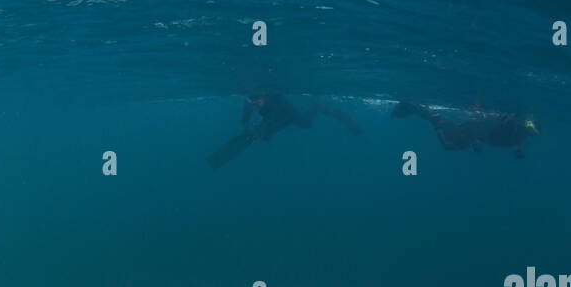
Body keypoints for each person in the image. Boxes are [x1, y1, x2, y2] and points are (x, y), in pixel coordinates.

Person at [207, 91, 361, 169]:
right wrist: (247, 128)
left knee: (306, 124)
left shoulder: (274, 102)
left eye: (256, 103)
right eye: (251, 103)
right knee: (264, 133)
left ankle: (316, 107)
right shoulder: (250, 103)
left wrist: (264, 131)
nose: (253, 106)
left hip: (288, 114)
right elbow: (245, 118)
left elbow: (278, 120)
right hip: (273, 117)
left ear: (262, 99)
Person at [391, 101, 539, 158]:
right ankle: (422, 112)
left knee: (448, 142)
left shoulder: (518, 135)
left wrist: (475, 141)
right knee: (448, 144)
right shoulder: (515, 128)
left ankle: (420, 111)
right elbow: (495, 125)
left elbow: (495, 132)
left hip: (476, 132)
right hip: (475, 130)